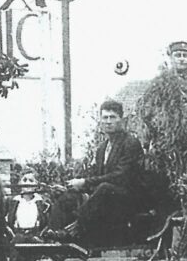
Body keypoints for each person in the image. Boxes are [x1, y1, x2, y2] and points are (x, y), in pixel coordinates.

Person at [62, 100, 144, 247]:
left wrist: (86, 182)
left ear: (121, 119)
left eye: (112, 117)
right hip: (106, 199)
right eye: (105, 118)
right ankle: (55, 235)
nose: (108, 122)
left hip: (128, 200)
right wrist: (79, 186)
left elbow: (121, 176)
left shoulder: (130, 143)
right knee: (68, 194)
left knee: (105, 188)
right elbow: (96, 176)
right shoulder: (102, 148)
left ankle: (78, 227)